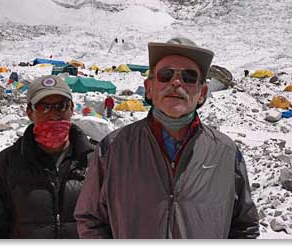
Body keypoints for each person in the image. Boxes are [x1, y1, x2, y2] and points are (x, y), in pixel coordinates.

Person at [74, 37, 260, 239]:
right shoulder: (113, 148)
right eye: (165, 75)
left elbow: (244, 227)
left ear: (202, 93)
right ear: (149, 88)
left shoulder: (225, 152)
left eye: (189, 77)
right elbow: (90, 219)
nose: (176, 82)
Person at [0, 75, 94, 238]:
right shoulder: (4, 166)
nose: (54, 114)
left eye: (61, 106)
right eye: (44, 107)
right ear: (30, 112)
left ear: (72, 109)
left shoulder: (96, 162)